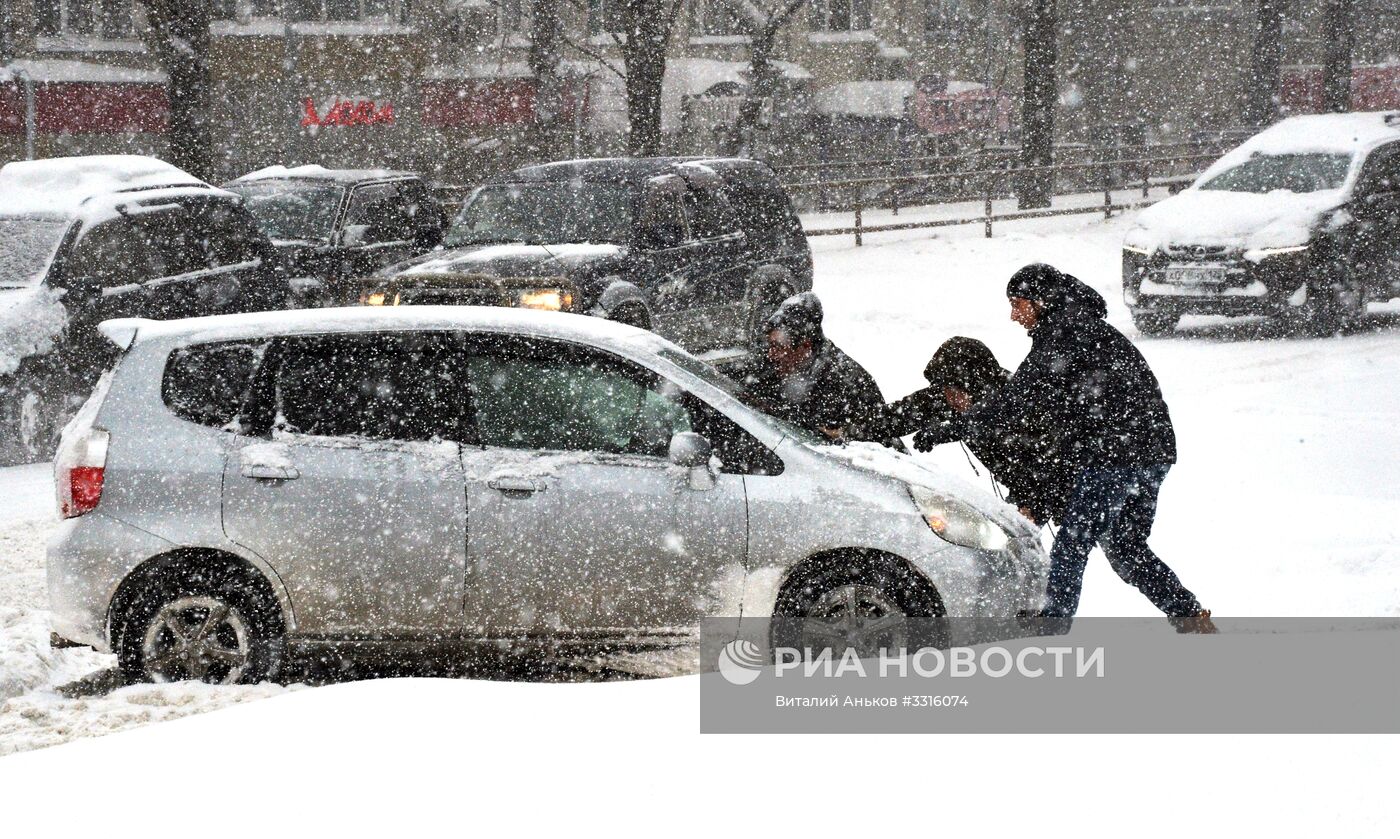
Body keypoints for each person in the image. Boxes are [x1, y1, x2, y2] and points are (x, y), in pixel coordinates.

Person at [942, 263, 1216, 633]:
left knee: (1074, 539)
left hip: (1119, 451)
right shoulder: (1076, 326)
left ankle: (1053, 624)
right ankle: (1189, 617)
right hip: (1151, 449)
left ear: (1040, 301)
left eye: (1017, 304)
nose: (1012, 315)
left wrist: (959, 424)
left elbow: (1016, 400)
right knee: (1124, 548)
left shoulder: (1065, 334)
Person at [902, 337, 1075, 527]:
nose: (950, 399)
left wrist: (1034, 504)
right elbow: (896, 417)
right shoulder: (952, 397)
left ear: (972, 383)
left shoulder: (1013, 399)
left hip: (1071, 485)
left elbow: (1050, 459)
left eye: (953, 390)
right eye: (944, 390)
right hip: (1029, 490)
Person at [736, 292, 886, 442]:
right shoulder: (777, 361)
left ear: (805, 346)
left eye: (778, 347)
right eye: (770, 345)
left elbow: (814, 437)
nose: (771, 354)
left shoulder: (840, 383)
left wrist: (773, 409)